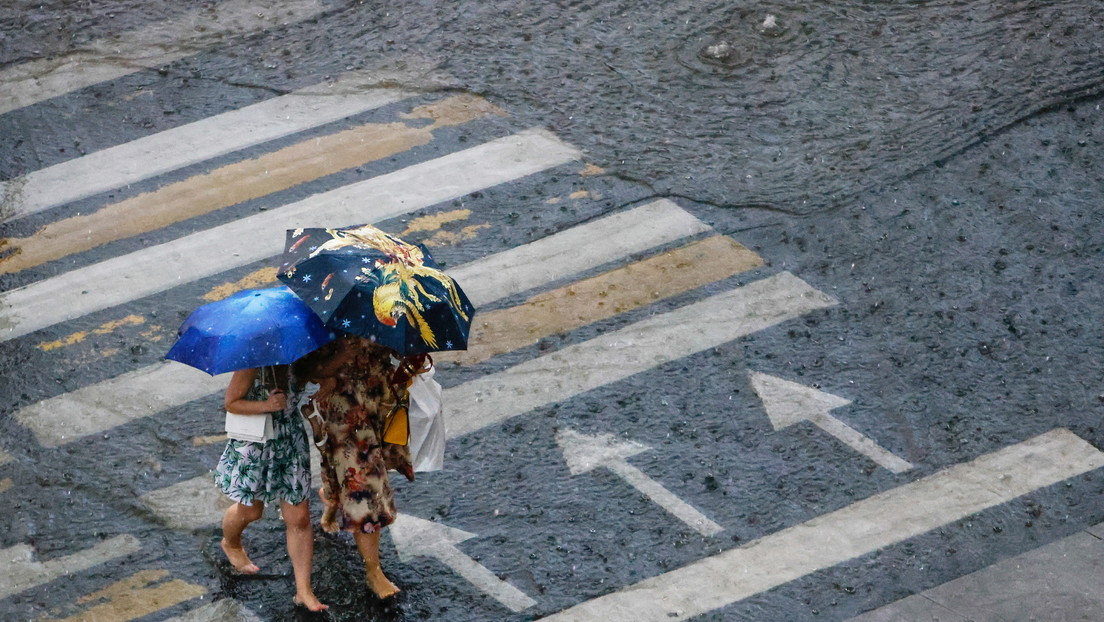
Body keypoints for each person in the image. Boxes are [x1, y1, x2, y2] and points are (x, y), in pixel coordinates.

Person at [293, 336, 421, 600]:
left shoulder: (384, 303)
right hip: (345, 408)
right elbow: (304, 370)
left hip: (381, 398)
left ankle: (331, 497)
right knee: (364, 486)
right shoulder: (321, 316)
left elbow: (401, 347)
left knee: (347, 469)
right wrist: (337, 360)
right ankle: (373, 571)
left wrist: (414, 359)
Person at [213, 365, 327, 612]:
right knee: (251, 511)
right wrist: (267, 405)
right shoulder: (254, 361)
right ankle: (231, 543)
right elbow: (232, 402)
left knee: (299, 518)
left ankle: (303, 591)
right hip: (256, 439)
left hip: (290, 439)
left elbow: (319, 373)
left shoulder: (300, 354)